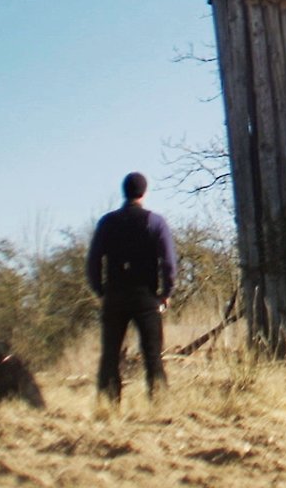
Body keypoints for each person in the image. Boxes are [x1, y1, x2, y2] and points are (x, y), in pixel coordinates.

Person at [85, 171, 178, 402]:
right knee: (152, 355)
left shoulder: (107, 222)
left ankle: (108, 405)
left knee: (110, 356)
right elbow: (168, 262)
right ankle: (158, 404)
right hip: (146, 297)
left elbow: (93, 261)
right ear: (144, 193)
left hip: (114, 296)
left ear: (123, 192)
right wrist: (166, 293)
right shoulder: (155, 222)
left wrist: (100, 291)